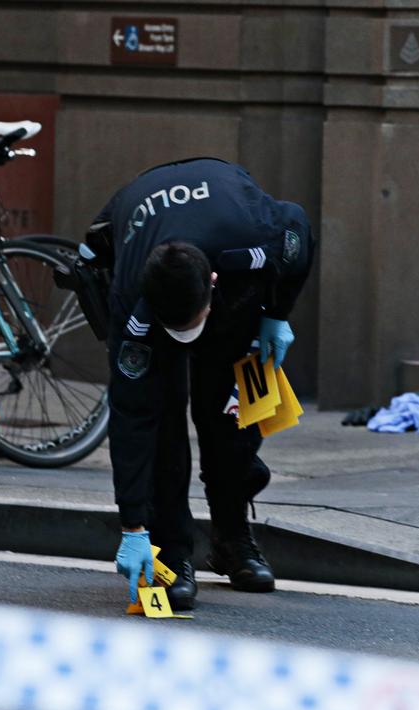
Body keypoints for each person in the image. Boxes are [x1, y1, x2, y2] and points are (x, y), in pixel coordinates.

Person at [84, 157, 314, 610]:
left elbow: (298, 229)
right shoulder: (132, 297)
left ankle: (232, 539)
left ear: (212, 283)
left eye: (193, 323)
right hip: (149, 265)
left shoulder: (255, 234)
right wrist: (132, 528)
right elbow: (133, 420)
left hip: (234, 283)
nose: (188, 337)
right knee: (163, 424)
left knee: (230, 421)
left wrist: (277, 314)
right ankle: (172, 553)